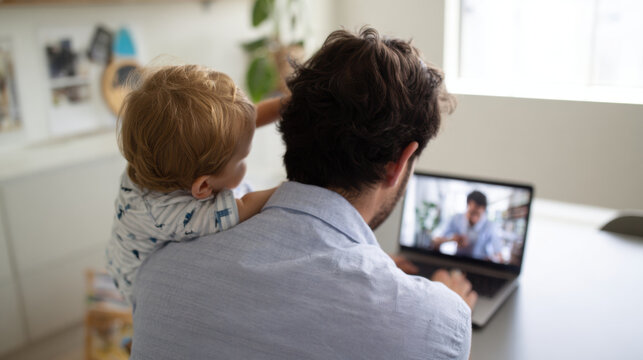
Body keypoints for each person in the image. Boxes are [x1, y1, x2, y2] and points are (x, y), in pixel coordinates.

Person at [130, 28, 477, 359]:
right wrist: (442, 306)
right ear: (398, 163)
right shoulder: (436, 321)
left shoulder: (159, 268)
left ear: (293, 128)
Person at [106, 65, 282, 304]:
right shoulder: (175, 215)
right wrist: (294, 187)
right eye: (241, 160)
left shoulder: (152, 158)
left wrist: (288, 105)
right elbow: (244, 205)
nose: (245, 164)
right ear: (203, 188)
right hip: (135, 282)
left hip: (119, 248)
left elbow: (244, 122)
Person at [431, 190, 503, 261]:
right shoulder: (456, 219)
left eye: (478, 214)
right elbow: (436, 241)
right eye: (472, 213)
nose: (474, 218)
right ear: (467, 205)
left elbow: (499, 255)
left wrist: (491, 258)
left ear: (483, 210)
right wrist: (453, 239)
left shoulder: (490, 226)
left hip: (480, 266)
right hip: (457, 261)